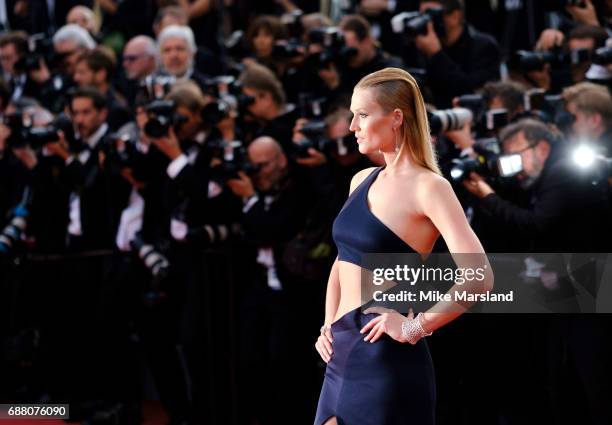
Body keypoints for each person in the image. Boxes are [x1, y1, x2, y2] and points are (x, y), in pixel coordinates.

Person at [313, 67, 493, 425]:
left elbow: (480, 277)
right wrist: (327, 324)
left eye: (362, 115)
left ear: (396, 118)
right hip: (340, 353)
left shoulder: (430, 187)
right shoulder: (361, 179)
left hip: (383, 360)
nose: (352, 126)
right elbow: (341, 263)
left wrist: (415, 328)